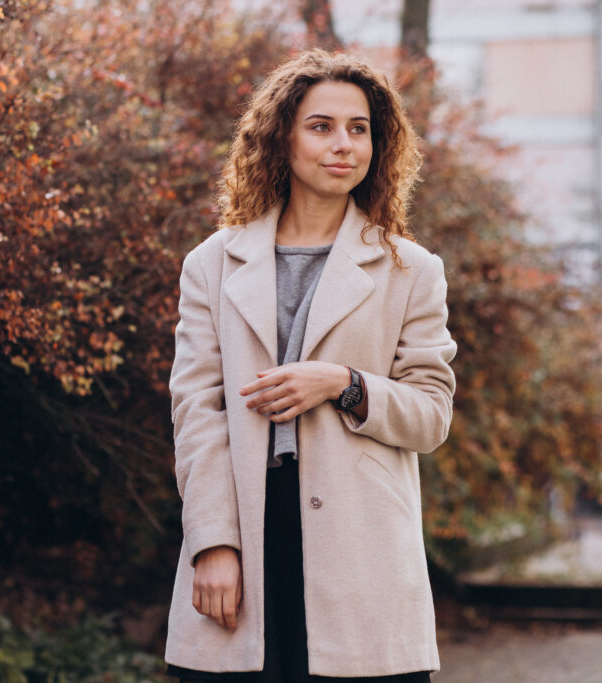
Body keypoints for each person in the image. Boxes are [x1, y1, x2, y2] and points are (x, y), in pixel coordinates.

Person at [164, 48, 457, 682]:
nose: (343, 144)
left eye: (359, 129)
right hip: (246, 526)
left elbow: (431, 415)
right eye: (321, 126)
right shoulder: (211, 265)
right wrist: (214, 543)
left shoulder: (412, 269)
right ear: (282, 138)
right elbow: (197, 413)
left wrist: (343, 385)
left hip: (361, 548)